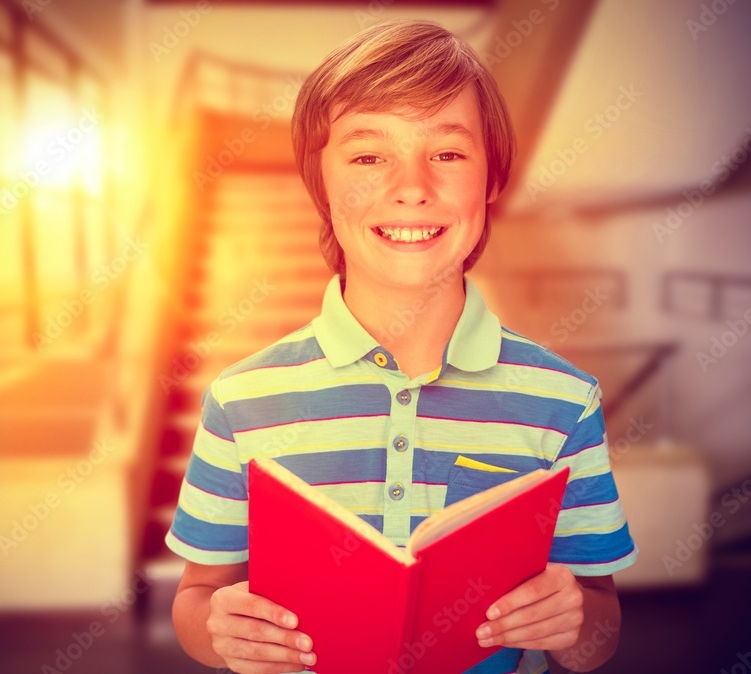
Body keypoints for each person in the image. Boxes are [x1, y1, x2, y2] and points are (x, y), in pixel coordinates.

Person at [166, 19, 637, 674]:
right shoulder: (241, 400)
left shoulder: (564, 400)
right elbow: (197, 600)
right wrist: (220, 632)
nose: (411, 187)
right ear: (320, 186)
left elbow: (598, 632)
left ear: (492, 180)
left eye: (447, 153)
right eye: (367, 156)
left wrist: (575, 623)